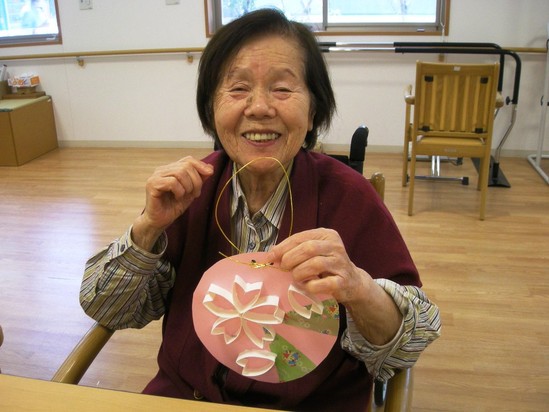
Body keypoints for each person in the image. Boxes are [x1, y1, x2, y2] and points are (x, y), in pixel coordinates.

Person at [80, 8, 440, 411]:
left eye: (282, 89)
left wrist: (358, 288)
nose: (259, 108)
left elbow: (409, 343)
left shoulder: (349, 197)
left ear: (313, 110)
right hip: (186, 397)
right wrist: (148, 228)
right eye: (237, 89)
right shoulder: (190, 193)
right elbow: (108, 309)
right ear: (211, 109)